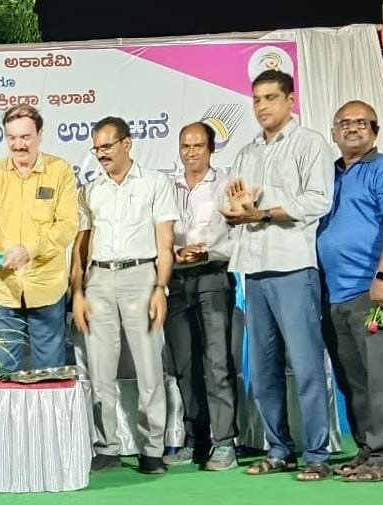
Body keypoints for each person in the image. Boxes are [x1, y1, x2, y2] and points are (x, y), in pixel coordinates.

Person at [220, 70, 335, 482]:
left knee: (305, 365)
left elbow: (318, 200)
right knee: (263, 368)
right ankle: (279, 449)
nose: (262, 106)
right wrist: (236, 209)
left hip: (293, 266)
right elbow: (233, 208)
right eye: (256, 99)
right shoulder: (246, 152)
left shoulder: (310, 143)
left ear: (290, 100)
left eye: (271, 97)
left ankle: (317, 454)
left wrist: (264, 213)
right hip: (254, 270)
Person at [73, 116, 178, 475]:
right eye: (96, 149)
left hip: (141, 276)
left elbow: (165, 242)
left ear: (126, 144)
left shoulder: (155, 183)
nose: (101, 154)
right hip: (98, 279)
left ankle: (152, 449)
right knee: (100, 371)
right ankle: (106, 447)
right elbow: (81, 247)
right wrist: (77, 292)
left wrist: (160, 288)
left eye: (106, 146)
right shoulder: (89, 191)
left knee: (150, 369)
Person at [316, 101, 383, 482]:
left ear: (375, 130)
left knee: (381, 377)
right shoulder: (329, 175)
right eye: (344, 123)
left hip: (371, 292)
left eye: (361, 122)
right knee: (352, 380)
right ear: (333, 133)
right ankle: (367, 450)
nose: (352, 128)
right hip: (334, 297)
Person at [0, 104, 79, 373]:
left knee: (49, 375)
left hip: (47, 286)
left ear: (39, 135)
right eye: (12, 138)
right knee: (5, 372)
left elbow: (67, 226)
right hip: (5, 288)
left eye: (25, 137)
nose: (18, 145)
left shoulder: (60, 170)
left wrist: (30, 249)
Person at [160, 121, 238, 470]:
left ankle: (224, 444)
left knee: (217, 363)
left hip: (213, 277)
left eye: (198, 146)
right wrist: (175, 254)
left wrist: (208, 252)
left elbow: (238, 236)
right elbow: (158, 233)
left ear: (211, 149)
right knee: (185, 365)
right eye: (185, 146)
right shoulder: (167, 186)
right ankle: (196, 440)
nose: (191, 153)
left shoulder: (226, 184)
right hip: (176, 281)